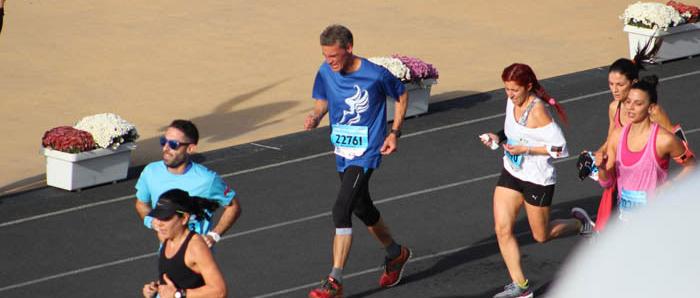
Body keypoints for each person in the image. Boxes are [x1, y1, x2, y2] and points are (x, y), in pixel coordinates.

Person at [304, 24, 411, 298]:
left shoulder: (374, 74)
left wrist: (394, 132)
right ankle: (396, 253)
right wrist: (316, 116)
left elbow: (401, 95)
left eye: (334, 56)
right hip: (342, 150)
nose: (329, 61)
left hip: (366, 151)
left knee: (341, 210)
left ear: (349, 48)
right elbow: (322, 99)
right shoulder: (326, 70)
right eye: (326, 56)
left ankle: (334, 280)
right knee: (362, 207)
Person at [480, 63, 594, 298]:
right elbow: (510, 130)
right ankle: (521, 287)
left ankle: (582, 225)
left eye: (514, 90)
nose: (510, 95)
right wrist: (497, 137)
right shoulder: (511, 102)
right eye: (506, 89)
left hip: (537, 180)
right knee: (502, 229)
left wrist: (525, 149)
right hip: (512, 172)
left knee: (541, 236)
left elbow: (561, 149)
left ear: (528, 86)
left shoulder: (538, 111)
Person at [584, 44, 676, 231]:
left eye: (620, 84)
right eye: (611, 84)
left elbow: (677, 143)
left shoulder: (653, 111)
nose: (614, 90)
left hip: (647, 182)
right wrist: (594, 157)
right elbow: (611, 139)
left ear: (633, 83)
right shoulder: (614, 107)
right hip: (620, 178)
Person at [595, 75, 696, 221]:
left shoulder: (664, 140)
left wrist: (671, 184)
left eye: (638, 103)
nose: (630, 107)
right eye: (628, 102)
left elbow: (692, 166)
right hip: (626, 221)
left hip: (656, 220)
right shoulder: (617, 136)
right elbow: (607, 182)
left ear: (651, 108)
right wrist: (602, 169)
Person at [135, 119, 241, 247]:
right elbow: (141, 203)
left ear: (190, 148)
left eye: (173, 144)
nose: (166, 148)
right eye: (164, 141)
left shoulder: (207, 180)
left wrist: (214, 235)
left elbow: (233, 206)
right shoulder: (151, 172)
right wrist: (151, 221)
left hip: (197, 258)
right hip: (166, 254)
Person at [142, 189, 227, 298]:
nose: (159, 224)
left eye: (166, 218)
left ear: (184, 218)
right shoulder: (165, 238)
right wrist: (157, 288)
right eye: (158, 217)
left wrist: (178, 294)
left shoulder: (195, 247)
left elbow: (220, 291)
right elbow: (180, 275)